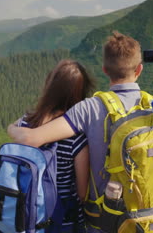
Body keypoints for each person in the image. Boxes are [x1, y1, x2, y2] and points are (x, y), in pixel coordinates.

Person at [8, 31, 153, 233]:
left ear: (105, 70)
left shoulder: (89, 108)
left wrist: (12, 127)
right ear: (139, 69)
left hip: (104, 222)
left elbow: (31, 138)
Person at [14, 59, 94, 233]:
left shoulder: (25, 122)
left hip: (27, 216)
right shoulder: (77, 137)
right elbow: (82, 193)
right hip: (63, 220)